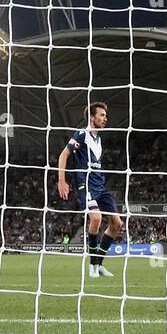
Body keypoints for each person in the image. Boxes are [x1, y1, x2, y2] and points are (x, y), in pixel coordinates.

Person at [57, 101, 124, 279]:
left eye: (105, 115)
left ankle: (99, 264)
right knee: (96, 218)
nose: (105, 118)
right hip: (85, 186)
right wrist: (61, 181)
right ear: (92, 117)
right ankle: (92, 266)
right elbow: (64, 155)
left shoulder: (99, 139)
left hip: (100, 187)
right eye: (101, 115)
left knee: (117, 224)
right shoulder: (81, 135)